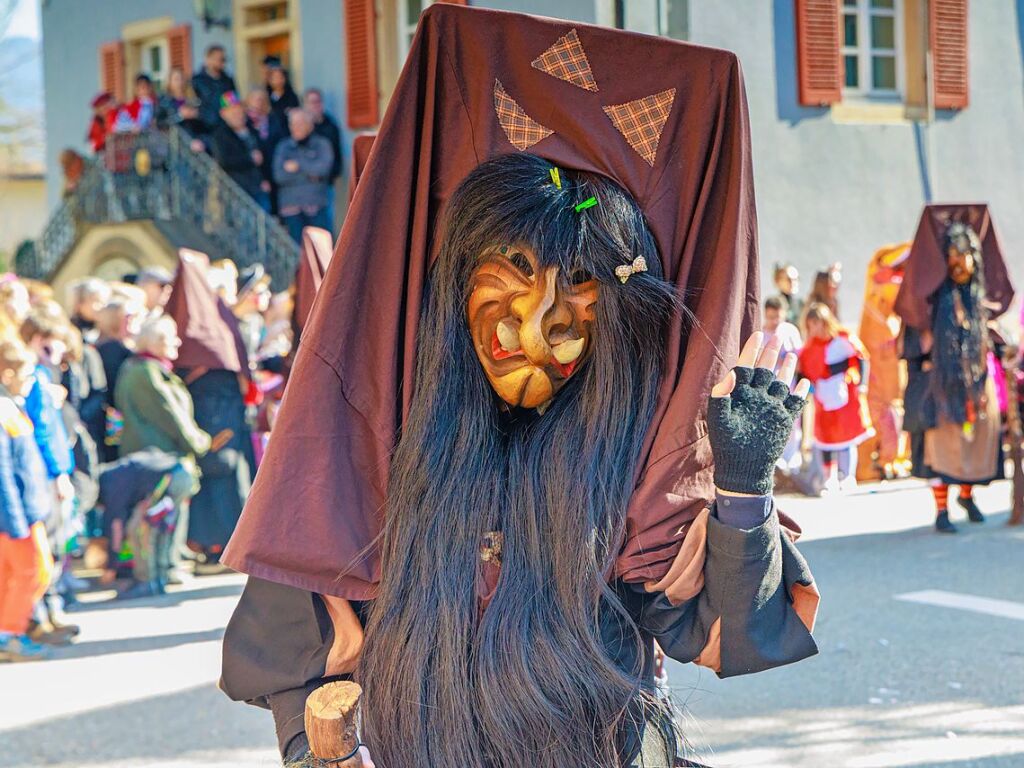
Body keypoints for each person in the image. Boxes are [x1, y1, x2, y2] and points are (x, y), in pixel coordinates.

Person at [220, 9, 819, 767]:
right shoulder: (373, 451)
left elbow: (729, 629)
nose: (544, 325)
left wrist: (739, 480)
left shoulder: (634, 460)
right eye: (513, 269)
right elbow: (302, 671)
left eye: (580, 283)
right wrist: (319, 751)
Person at [896, 206, 1016, 533]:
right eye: (954, 254)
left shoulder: (979, 301)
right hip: (941, 386)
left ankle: (967, 496)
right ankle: (942, 511)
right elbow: (912, 345)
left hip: (977, 385)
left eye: (968, 255)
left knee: (977, 443)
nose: (962, 263)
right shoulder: (929, 307)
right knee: (943, 449)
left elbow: (993, 335)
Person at [163, 252, 254, 569]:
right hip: (209, 415)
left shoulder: (218, 320)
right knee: (216, 476)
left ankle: (222, 546)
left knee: (223, 474)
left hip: (218, 416)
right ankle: (211, 544)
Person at [114, 315, 211, 583]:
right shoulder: (145, 372)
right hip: (160, 459)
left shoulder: (147, 368)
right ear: (155, 341)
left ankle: (167, 566)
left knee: (166, 515)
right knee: (160, 518)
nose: (178, 342)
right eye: (171, 337)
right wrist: (199, 442)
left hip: (160, 457)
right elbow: (170, 415)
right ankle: (161, 571)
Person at [0, 339, 55, 662]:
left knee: (17, 573)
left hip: (24, 509)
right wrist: (14, 519)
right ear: (7, 373)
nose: (32, 380)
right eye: (26, 373)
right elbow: (3, 472)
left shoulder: (11, 405)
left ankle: (8, 630)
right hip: (14, 514)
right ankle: (10, 633)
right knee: (33, 570)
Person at [97, 449, 198, 599]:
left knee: (138, 530)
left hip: (172, 479)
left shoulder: (110, 483)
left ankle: (147, 582)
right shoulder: (120, 471)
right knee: (161, 530)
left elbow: (116, 528)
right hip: (185, 474)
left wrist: (111, 567)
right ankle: (160, 579)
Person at [798, 302, 873, 492]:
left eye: (817, 323)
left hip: (845, 398)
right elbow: (807, 371)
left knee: (846, 438)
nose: (814, 328)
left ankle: (847, 476)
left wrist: (862, 384)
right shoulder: (809, 348)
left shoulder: (843, 338)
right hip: (823, 400)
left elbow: (860, 358)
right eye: (811, 324)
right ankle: (828, 478)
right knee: (825, 439)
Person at [273, 109, 334, 243]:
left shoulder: (322, 144)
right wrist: (310, 176)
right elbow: (279, 176)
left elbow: (323, 170)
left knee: (321, 249)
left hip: (316, 206)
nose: (296, 127)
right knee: (297, 253)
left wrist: (298, 166)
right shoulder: (283, 147)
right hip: (291, 208)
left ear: (310, 125)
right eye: (293, 124)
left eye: (300, 123)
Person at [209, 92, 270, 210]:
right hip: (236, 189)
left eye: (238, 110)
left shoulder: (252, 131)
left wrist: (264, 178)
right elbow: (225, 161)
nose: (236, 114)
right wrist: (250, 159)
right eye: (231, 112)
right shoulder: (220, 135)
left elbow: (263, 157)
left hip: (258, 187)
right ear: (223, 114)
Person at [303, 88, 342, 227]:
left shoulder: (331, 126)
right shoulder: (302, 127)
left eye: (318, 101)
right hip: (304, 183)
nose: (315, 105)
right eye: (311, 102)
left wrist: (332, 174)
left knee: (326, 219)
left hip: (325, 182)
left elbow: (337, 154)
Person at [192, 44, 237, 133]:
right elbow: (192, 104)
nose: (223, 62)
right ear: (208, 59)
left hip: (226, 128)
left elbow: (233, 102)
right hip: (206, 128)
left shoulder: (227, 80)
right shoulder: (197, 81)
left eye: (224, 59)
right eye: (220, 59)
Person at [156, 67, 203, 136]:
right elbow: (160, 123)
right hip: (173, 142)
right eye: (176, 79)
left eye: (182, 79)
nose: (180, 82)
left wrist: (197, 115)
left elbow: (204, 124)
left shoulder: (194, 100)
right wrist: (180, 116)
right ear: (169, 82)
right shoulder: (164, 101)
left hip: (194, 141)